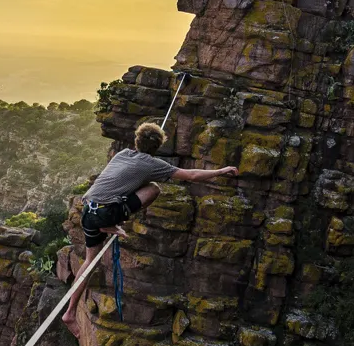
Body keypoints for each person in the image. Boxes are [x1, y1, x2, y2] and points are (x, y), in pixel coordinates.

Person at [63, 121, 238, 335]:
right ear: (157, 148)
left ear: (136, 140)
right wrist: (222, 170)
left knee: (90, 261)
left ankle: (69, 312)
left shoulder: (122, 154)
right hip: (105, 213)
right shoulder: (153, 165)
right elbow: (191, 175)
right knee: (153, 188)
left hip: (88, 210)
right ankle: (110, 223)